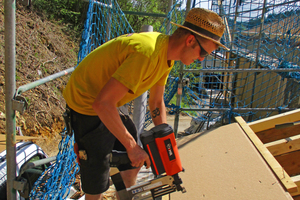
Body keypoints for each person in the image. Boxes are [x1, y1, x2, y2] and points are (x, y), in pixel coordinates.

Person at [63, 7, 229, 200]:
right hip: (85, 103)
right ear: (190, 40)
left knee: (132, 157)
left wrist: (167, 144)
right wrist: (132, 147)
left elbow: (156, 102)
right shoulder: (147, 52)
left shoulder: (167, 58)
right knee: (97, 173)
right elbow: (102, 104)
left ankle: (124, 195)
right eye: (203, 53)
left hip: (107, 100)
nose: (201, 59)